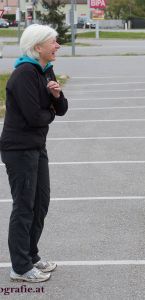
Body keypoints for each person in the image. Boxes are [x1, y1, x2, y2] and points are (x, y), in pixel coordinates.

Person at [0, 24, 68, 282]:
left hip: (37, 147)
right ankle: (19, 267)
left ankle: (30, 255)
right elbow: (35, 117)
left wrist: (56, 95)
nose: (58, 45)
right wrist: (50, 109)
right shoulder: (24, 74)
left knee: (40, 202)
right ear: (38, 47)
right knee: (24, 207)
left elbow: (61, 108)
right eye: (53, 42)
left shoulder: (45, 69)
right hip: (19, 149)